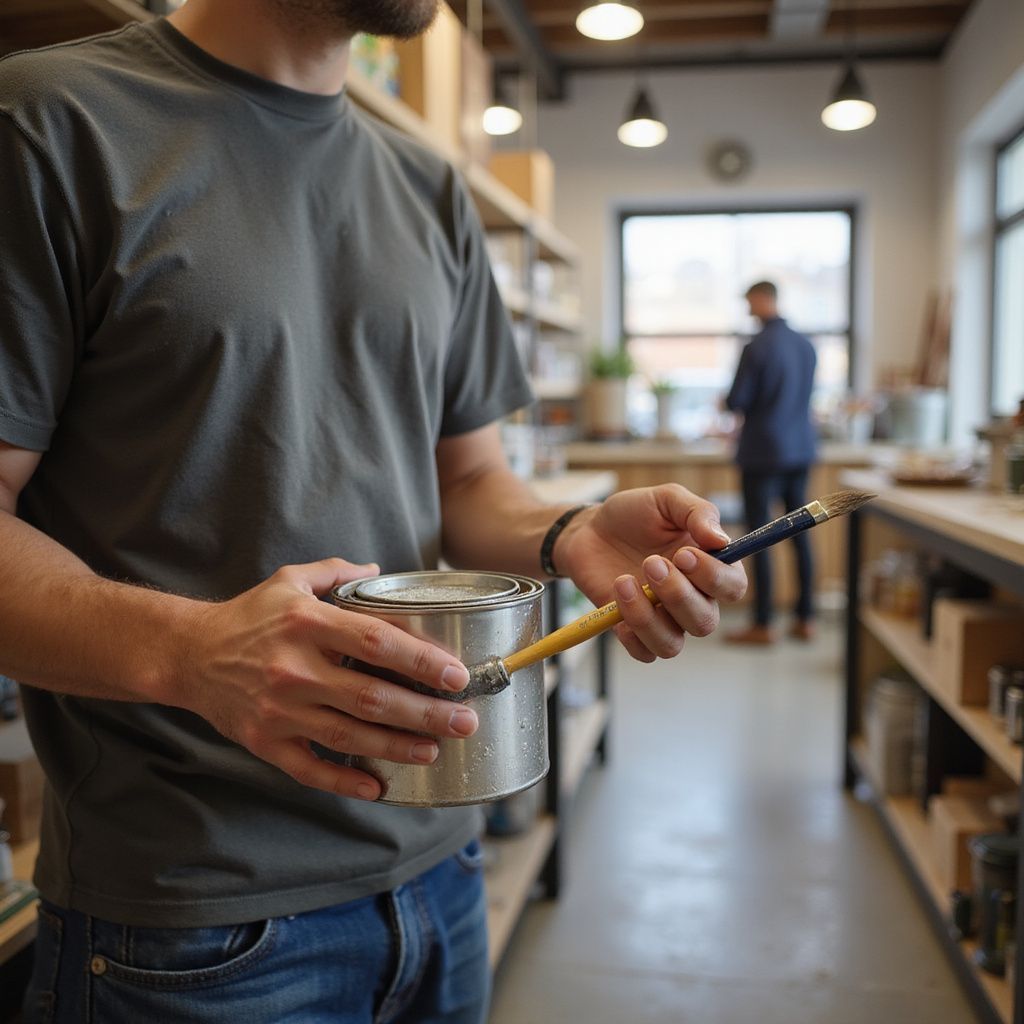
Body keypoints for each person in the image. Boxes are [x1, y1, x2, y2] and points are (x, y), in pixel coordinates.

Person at [0, 3, 747, 1022]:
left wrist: (567, 532)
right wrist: (190, 652)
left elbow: (468, 483)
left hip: (441, 874)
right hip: (188, 921)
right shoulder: (49, 122)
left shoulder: (426, 183)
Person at [723, 280, 817, 645]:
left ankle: (763, 624)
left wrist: (727, 402)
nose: (748, 309)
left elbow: (737, 400)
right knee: (801, 535)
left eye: (750, 302)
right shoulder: (806, 345)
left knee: (758, 538)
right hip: (801, 449)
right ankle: (805, 618)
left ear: (764, 299)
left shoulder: (756, 346)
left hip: (763, 452)